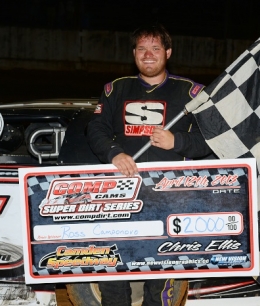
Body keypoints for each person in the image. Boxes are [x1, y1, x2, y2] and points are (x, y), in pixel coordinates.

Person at [86, 23, 212, 306]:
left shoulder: (191, 93)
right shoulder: (116, 89)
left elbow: (214, 139)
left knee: (163, 267)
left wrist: (177, 141)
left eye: (155, 48)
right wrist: (114, 153)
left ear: (168, 52)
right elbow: (96, 129)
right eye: (142, 48)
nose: (148, 55)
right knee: (114, 263)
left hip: (172, 195)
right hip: (122, 193)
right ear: (134, 54)